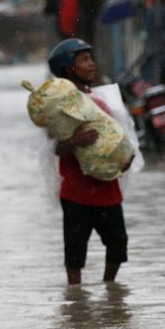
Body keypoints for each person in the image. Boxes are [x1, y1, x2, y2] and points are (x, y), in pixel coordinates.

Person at [48, 38, 134, 285]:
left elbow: (119, 138)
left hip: (108, 188)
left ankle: (109, 288)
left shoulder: (104, 99)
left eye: (91, 58)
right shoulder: (60, 105)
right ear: (68, 68)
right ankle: (75, 296)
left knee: (118, 244)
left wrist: (125, 159)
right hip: (76, 191)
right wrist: (75, 141)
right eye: (84, 60)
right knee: (75, 252)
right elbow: (55, 148)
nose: (92, 64)